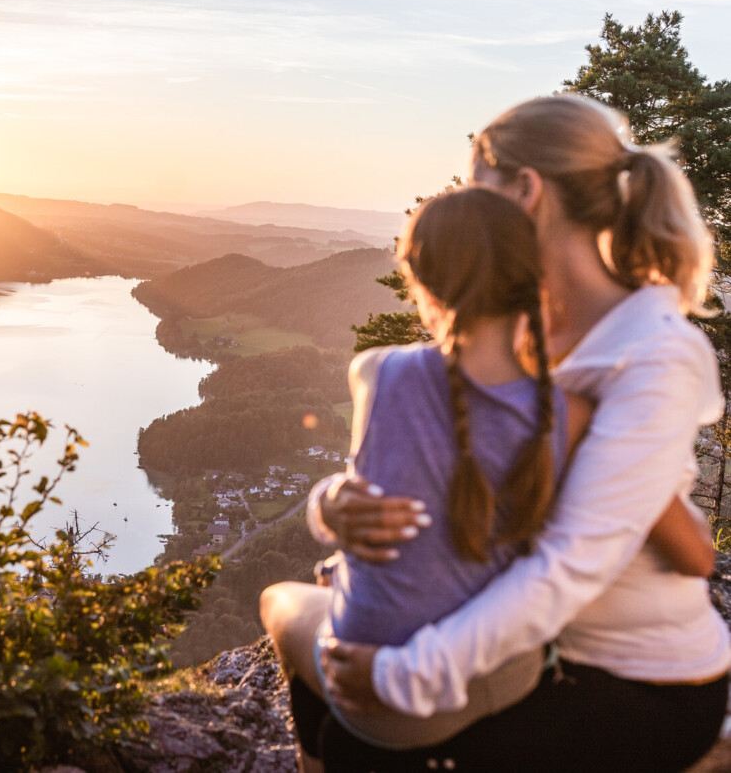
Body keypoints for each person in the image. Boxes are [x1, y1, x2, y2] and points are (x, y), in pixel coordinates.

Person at [268, 94, 729, 772]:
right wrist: (341, 502)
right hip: (520, 650)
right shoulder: (521, 332)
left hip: (632, 676)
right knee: (309, 639)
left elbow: (570, 565)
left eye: (476, 191)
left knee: (353, 731)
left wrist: (400, 677)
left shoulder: (653, 350)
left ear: (525, 191)